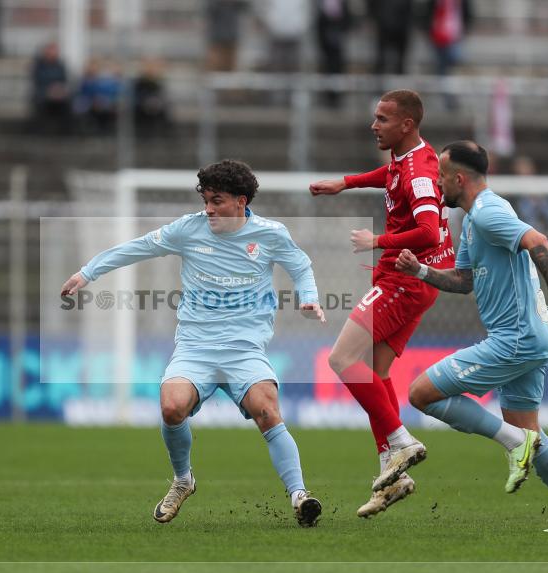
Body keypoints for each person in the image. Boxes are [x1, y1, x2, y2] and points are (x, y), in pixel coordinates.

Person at [61, 160, 326, 527]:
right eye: (205, 200)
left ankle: (300, 496)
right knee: (171, 408)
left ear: (240, 201)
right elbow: (137, 247)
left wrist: (309, 297)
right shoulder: (188, 229)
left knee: (267, 410)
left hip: (244, 350)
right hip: (195, 348)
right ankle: (183, 481)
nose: (208, 209)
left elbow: (300, 264)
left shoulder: (270, 234)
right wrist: (86, 273)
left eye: (216, 201)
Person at [397, 140, 548, 533]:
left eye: (441, 176)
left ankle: (513, 443)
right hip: (529, 338)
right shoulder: (475, 219)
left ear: (459, 178)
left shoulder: (489, 212)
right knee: (531, 434)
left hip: (517, 338)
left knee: (421, 393)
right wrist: (420, 271)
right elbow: (464, 281)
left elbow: (539, 242)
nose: (437, 184)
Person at [309, 90, 455, 517]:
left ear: (406, 124)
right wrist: (347, 183)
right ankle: (392, 474)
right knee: (374, 371)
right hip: (408, 279)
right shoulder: (405, 160)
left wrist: (378, 241)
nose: (374, 125)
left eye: (382, 119)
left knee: (341, 359)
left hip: (404, 279)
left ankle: (402, 441)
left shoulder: (421, 173)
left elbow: (428, 230)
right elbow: (391, 177)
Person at [30, 41, 71, 134]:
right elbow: (38, 80)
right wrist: (49, 90)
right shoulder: (39, 65)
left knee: (68, 100)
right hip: (43, 93)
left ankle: (65, 132)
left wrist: (59, 89)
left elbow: (64, 81)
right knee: (40, 100)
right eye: (51, 50)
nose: (53, 53)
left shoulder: (60, 65)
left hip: (58, 94)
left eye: (55, 51)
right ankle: (40, 131)